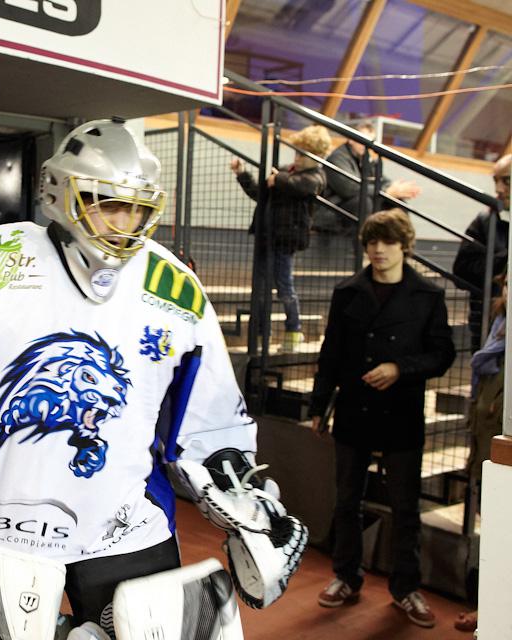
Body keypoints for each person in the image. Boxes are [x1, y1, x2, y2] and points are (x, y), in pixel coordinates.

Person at [0, 118, 308, 639]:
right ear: (59, 192)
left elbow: (209, 420)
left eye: (136, 208)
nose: (123, 222)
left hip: (128, 531)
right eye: (107, 203)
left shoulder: (174, 287)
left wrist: (247, 501)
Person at [309, 209, 455, 628]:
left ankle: (407, 588)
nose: (378, 250)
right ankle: (346, 576)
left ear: (404, 246)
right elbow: (331, 355)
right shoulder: (347, 292)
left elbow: (442, 354)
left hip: (401, 412)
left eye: (387, 242)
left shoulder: (427, 295)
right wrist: (319, 406)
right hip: (354, 409)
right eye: (372, 242)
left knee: (405, 507)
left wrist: (399, 368)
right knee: (346, 501)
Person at [232, 124, 331, 352]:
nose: (298, 157)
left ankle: (293, 330)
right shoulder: (287, 172)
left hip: (285, 240)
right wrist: (243, 174)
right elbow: (260, 193)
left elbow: (307, 187)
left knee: (284, 286)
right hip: (267, 235)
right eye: (297, 152)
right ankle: (260, 334)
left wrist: (279, 179)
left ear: (317, 156)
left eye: (304, 154)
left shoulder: (313, 176)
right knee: (261, 288)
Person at [454, 271, 507, 634]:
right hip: (488, 443)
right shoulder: (499, 325)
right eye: (508, 283)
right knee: (493, 529)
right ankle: (488, 607)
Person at [316, 122, 421, 238]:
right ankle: (365, 244)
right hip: (332, 211)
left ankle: (399, 243)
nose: (366, 145)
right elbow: (350, 189)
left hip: (354, 207)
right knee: (364, 202)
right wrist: (386, 192)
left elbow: (382, 181)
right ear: (351, 139)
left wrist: (396, 191)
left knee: (397, 202)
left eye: (370, 141)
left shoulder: (366, 158)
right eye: (363, 140)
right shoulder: (337, 158)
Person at [453, 154, 511, 352]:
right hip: (492, 326)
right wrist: (504, 259)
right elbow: (461, 271)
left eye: (507, 181)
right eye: (496, 180)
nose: (498, 189)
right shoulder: (486, 220)